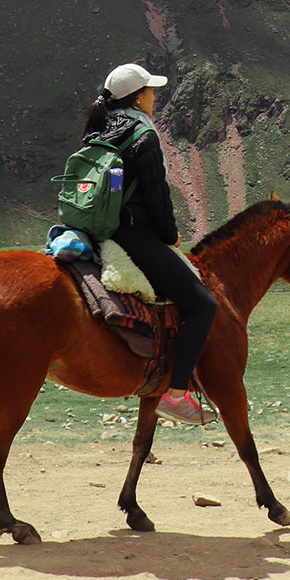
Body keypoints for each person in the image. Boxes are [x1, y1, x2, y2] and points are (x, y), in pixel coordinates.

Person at [80, 61, 217, 426]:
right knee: (203, 305)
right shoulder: (143, 135)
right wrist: (170, 235)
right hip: (133, 233)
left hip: (98, 230)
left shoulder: (100, 129)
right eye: (151, 90)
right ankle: (175, 395)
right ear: (139, 97)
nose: (155, 96)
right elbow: (156, 196)